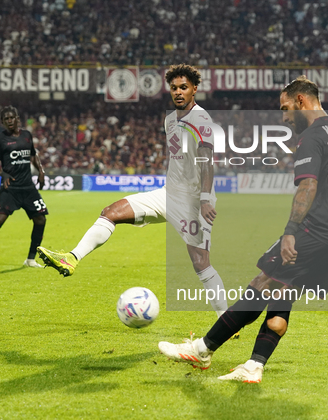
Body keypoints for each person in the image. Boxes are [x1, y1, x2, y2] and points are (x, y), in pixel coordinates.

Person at [158, 76, 328, 383]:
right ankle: (254, 365)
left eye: (286, 109)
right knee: (283, 293)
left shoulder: (313, 136)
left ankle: (202, 349)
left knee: (263, 283)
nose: (285, 118)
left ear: (301, 101)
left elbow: (308, 184)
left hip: (315, 231)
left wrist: (291, 230)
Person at [37, 64, 229, 317]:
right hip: (168, 194)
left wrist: (205, 199)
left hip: (194, 202)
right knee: (111, 211)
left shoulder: (201, 119)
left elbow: (206, 159)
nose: (178, 92)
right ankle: (72, 258)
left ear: (194, 89)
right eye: (174, 88)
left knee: (200, 262)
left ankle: (225, 318)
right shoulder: (170, 120)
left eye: (184, 87)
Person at [0, 106, 47, 269]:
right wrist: (3, 174)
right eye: (6, 119)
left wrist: (41, 170)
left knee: (40, 219)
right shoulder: (0, 139)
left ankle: (31, 259)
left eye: (12, 118)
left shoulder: (26, 136)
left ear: (17, 119)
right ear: (3, 122)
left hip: (28, 187)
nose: (10, 121)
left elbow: (33, 154)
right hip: (10, 187)